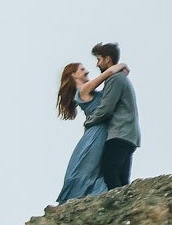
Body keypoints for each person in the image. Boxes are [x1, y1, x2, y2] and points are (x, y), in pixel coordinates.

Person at [54, 55, 127, 202]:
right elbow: (108, 73)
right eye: (82, 69)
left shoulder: (85, 92)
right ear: (74, 74)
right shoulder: (82, 91)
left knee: (99, 167)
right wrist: (122, 66)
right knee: (92, 168)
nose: (86, 71)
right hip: (98, 134)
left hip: (97, 133)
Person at [84, 41, 140, 189]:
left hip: (120, 133)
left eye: (98, 59)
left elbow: (106, 109)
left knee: (110, 172)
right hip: (129, 134)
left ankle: (119, 207)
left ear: (107, 59)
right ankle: (127, 206)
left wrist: (89, 123)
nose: (97, 65)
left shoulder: (114, 79)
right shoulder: (120, 78)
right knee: (122, 177)